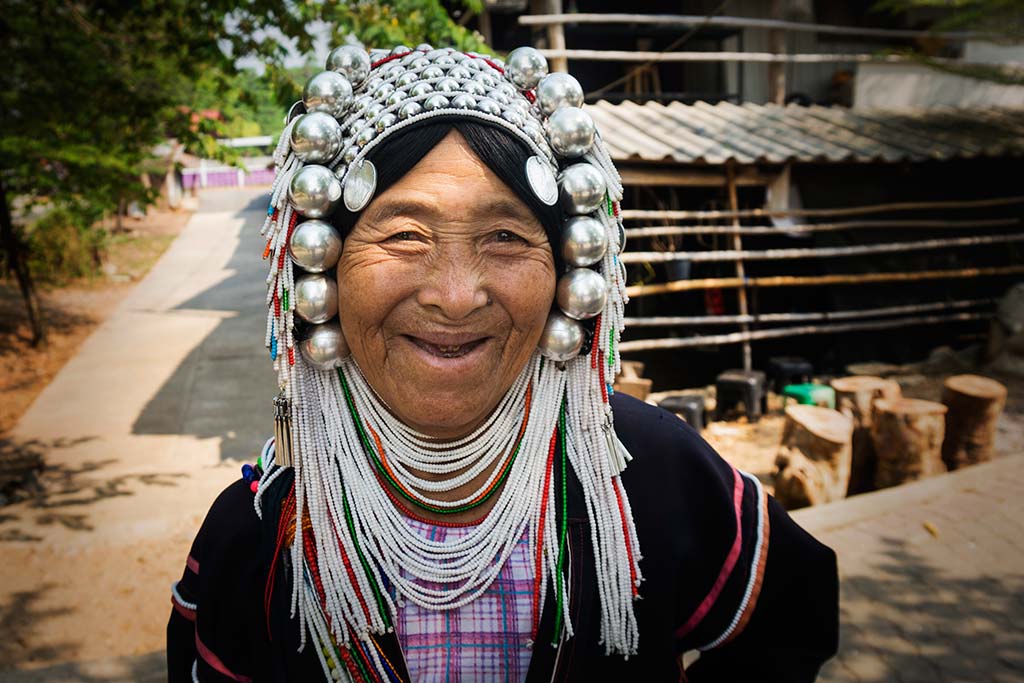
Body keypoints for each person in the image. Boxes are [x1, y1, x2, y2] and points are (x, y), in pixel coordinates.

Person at [167, 43, 838, 682]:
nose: (456, 296)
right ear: (323, 266)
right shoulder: (261, 531)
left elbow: (791, 610)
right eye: (404, 235)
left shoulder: (645, 471)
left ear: (568, 267)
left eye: (505, 236)